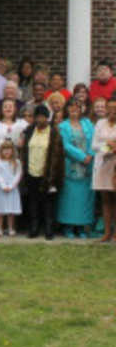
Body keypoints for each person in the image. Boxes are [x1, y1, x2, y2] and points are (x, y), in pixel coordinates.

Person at [21, 105, 64, 239]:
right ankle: (34, 228)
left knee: (48, 202)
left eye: (42, 117)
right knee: (33, 201)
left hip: (47, 172)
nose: (39, 119)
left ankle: (49, 229)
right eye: (37, 117)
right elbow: (24, 149)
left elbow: (58, 154)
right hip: (31, 171)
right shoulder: (29, 130)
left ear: (47, 118)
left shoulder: (53, 132)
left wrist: (54, 175)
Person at [57, 102, 95, 238]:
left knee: (85, 199)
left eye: (77, 107)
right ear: (67, 109)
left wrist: (90, 154)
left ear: (81, 109)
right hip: (71, 166)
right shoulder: (62, 126)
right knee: (69, 198)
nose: (74, 109)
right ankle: (68, 227)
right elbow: (65, 145)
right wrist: (81, 156)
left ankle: (81, 227)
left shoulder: (88, 124)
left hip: (87, 168)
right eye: (71, 107)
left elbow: (94, 141)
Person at [92, 97, 116, 242]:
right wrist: (108, 146)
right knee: (105, 200)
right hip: (102, 164)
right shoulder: (100, 123)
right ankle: (106, 232)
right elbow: (94, 145)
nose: (113, 111)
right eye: (110, 108)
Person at [0, 139, 22, 236]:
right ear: (1, 151)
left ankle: (10, 228)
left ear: (12, 151)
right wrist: (3, 186)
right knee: (0, 210)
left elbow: (18, 174)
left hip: (12, 189)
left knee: (11, 211)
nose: (7, 151)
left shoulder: (17, 162)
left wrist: (11, 186)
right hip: (1, 189)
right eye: (4, 149)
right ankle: (0, 228)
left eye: (9, 149)